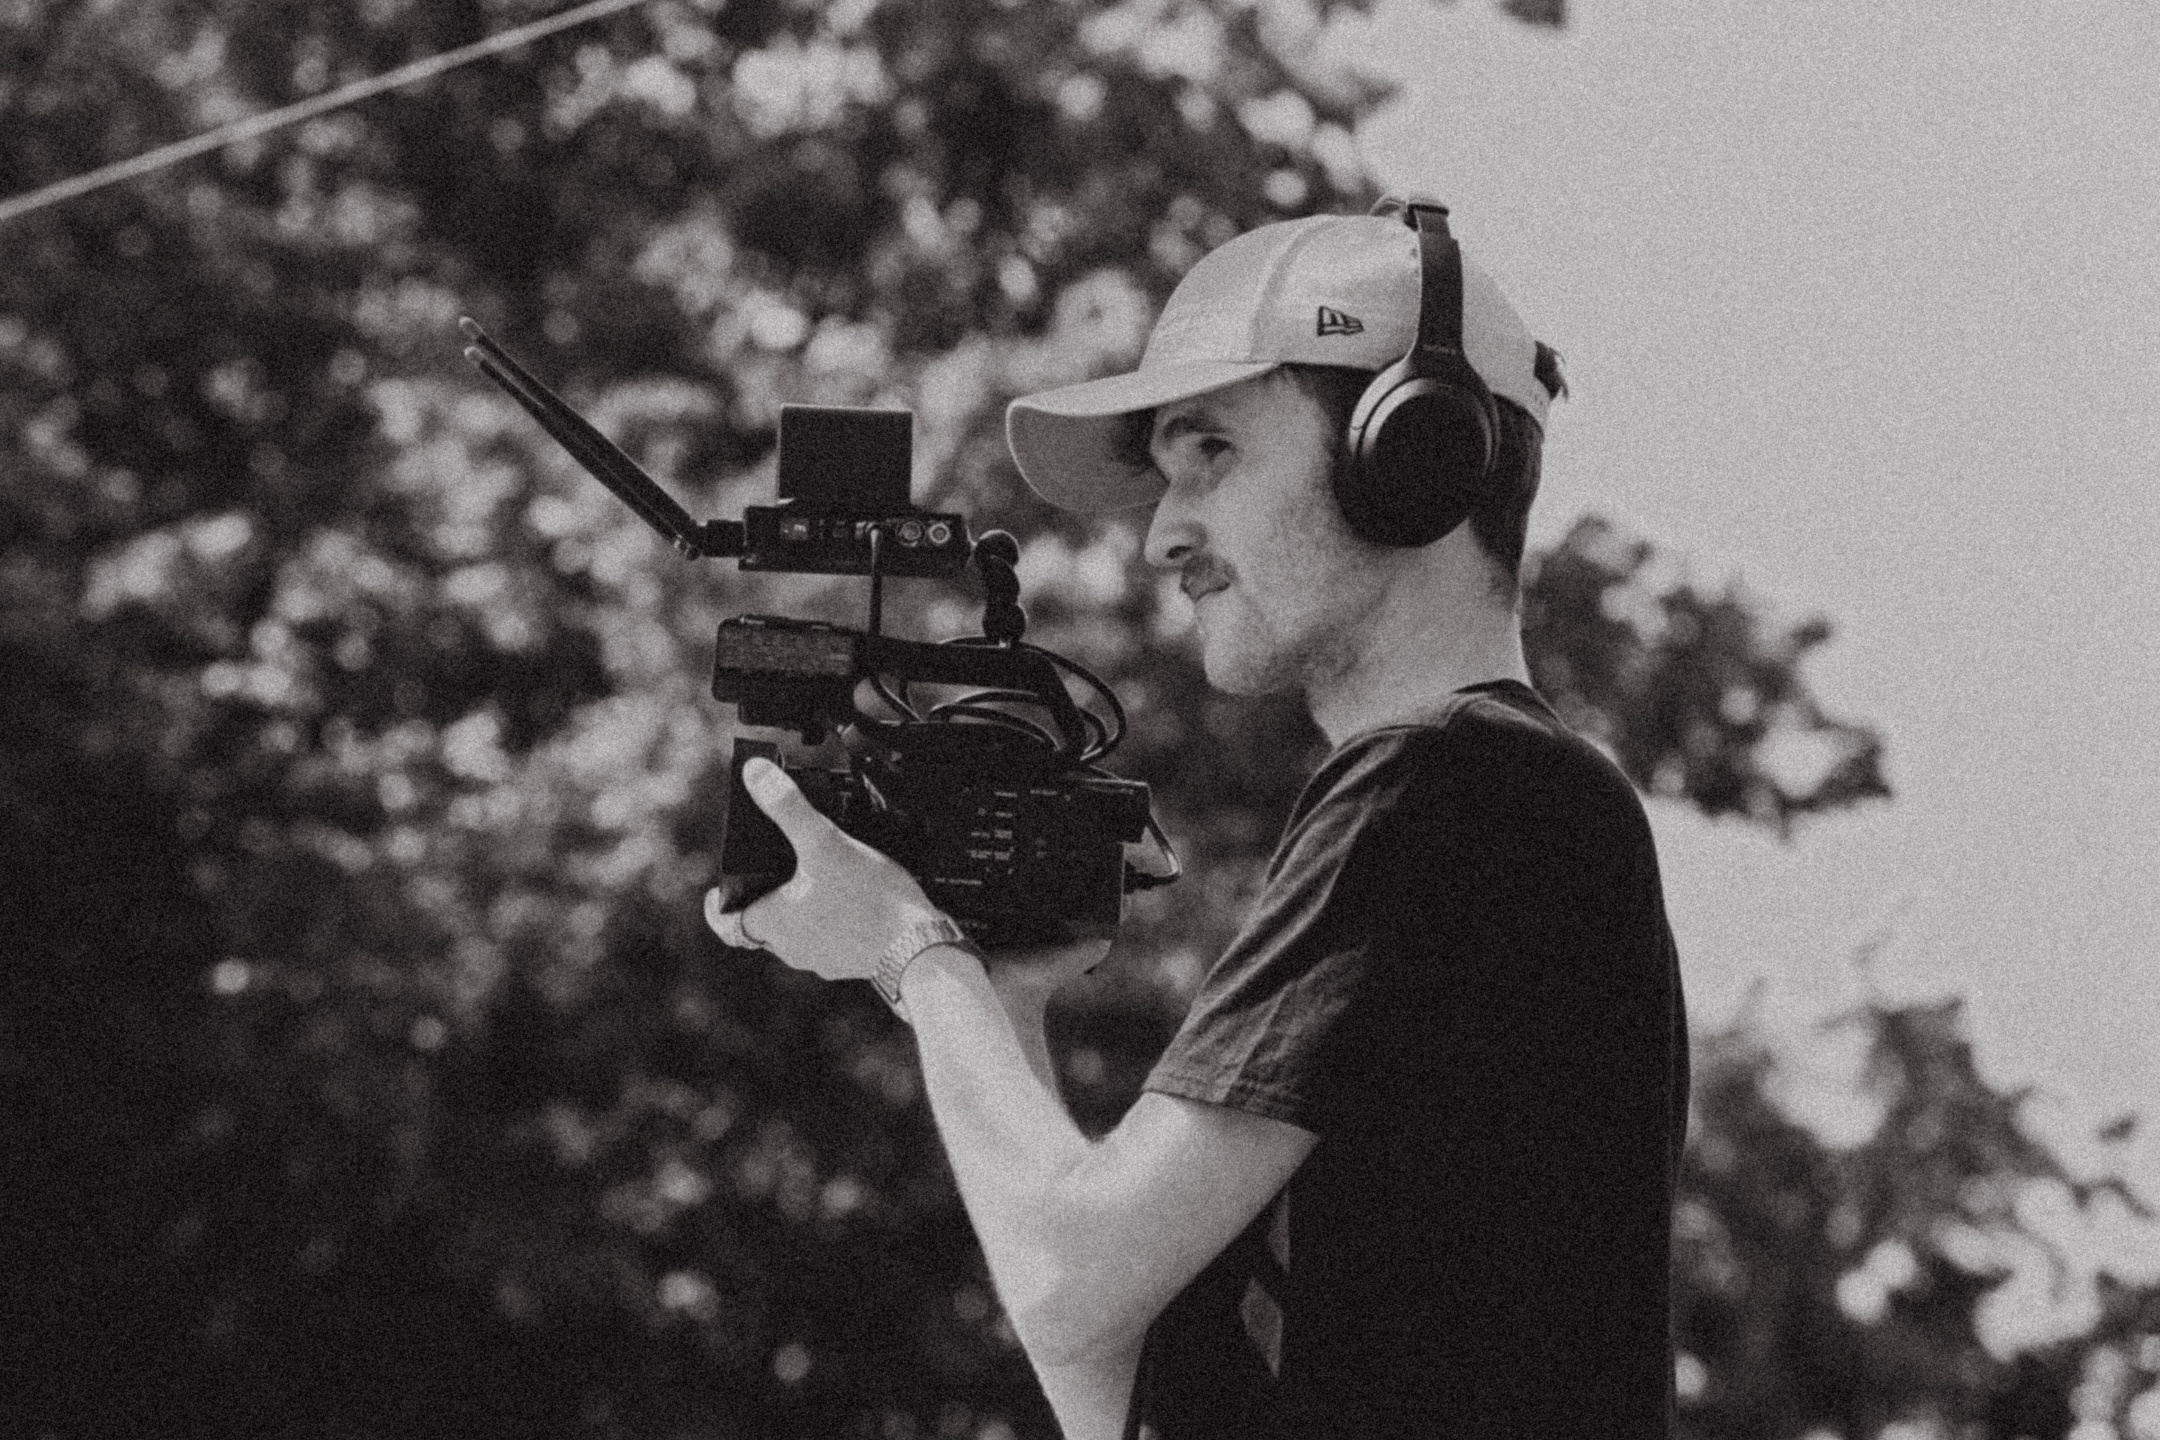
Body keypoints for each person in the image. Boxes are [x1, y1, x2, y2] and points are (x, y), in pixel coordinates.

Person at [706, 196, 1690, 1440]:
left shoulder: (1454, 784)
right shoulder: (1498, 804)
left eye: (1211, 453)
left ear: (1412, 454)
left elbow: (1067, 1287)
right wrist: (998, 1001)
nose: (1161, 537)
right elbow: (1105, 1380)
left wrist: (914, 955)